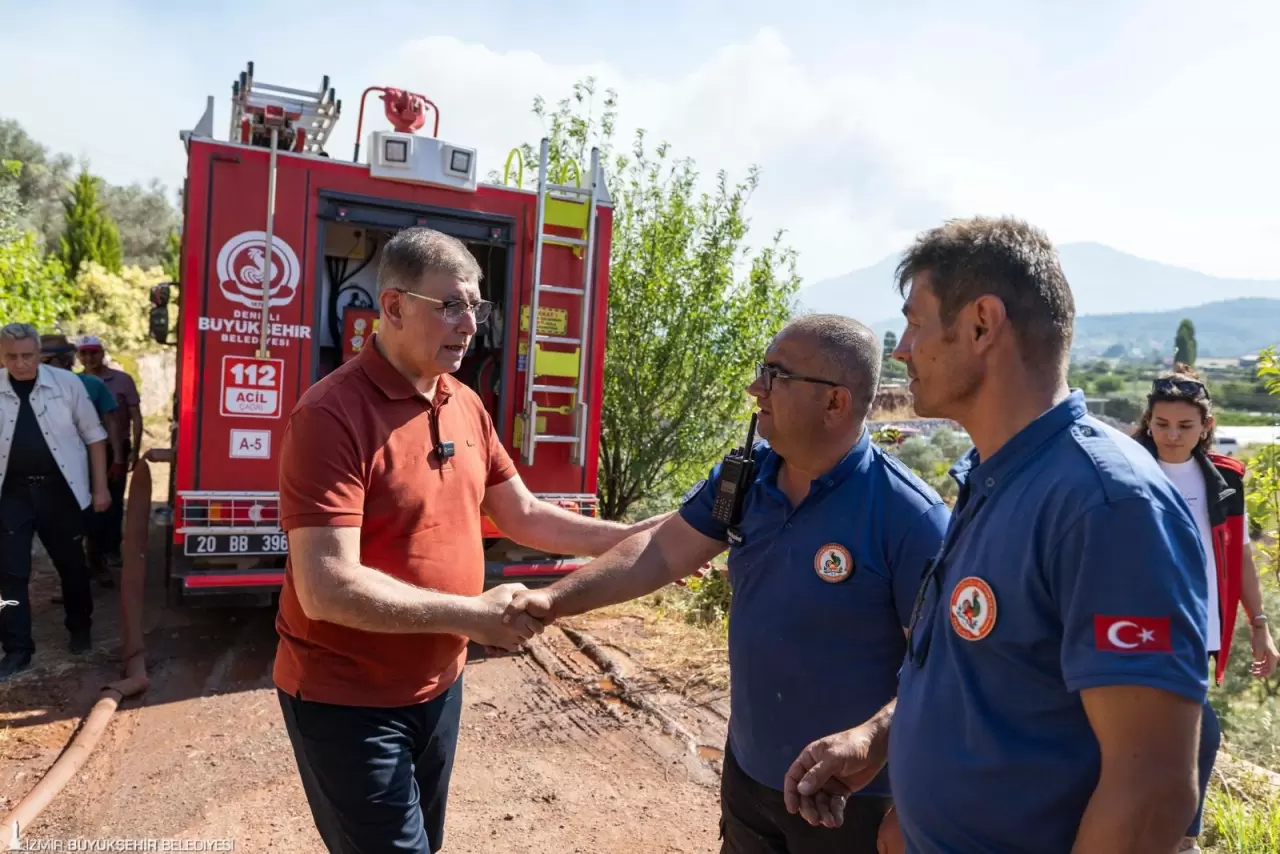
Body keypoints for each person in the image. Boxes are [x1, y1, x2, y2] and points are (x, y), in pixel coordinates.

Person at [785, 217, 1210, 854]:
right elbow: (996, 677)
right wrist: (883, 740)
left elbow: (1151, 790)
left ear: (982, 324)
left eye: (916, 323)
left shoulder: (1106, 504)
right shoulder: (1001, 475)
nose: (902, 349)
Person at [275, 227, 670, 854]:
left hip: (439, 688)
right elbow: (326, 587)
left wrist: (629, 538)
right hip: (347, 700)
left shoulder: (463, 403)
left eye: (476, 307)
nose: (470, 326)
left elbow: (523, 514)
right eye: (451, 306)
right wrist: (472, 616)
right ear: (394, 306)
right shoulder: (330, 416)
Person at [504, 314, 952, 854]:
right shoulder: (746, 478)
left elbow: (946, 672)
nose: (755, 388)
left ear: (835, 402)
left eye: (775, 375)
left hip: (849, 798)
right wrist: (554, 599)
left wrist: (898, 792)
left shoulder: (910, 518)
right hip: (748, 777)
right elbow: (658, 551)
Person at [1132, 364, 1280, 854]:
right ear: (1148, 421)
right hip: (1137, 624)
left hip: (1199, 627)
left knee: (1187, 734)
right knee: (1196, 731)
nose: (1172, 436)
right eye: (1161, 424)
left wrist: (1260, 625)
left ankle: (1172, 837)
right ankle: (1178, 839)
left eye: (1185, 425)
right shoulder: (1125, 470)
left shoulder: (1225, 480)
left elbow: (1239, 554)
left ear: (1206, 426)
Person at [0, 323, 111, 681]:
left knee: (72, 565)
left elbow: (94, 437)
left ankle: (80, 628)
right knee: (10, 573)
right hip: (11, 493)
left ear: (40, 354)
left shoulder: (67, 385)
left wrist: (100, 488)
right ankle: (17, 650)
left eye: (28, 356)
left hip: (60, 490)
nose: (21, 364)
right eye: (12, 357)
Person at [43, 332, 123, 589]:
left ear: (66, 360)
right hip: (51, 465)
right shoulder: (31, 388)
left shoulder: (91, 385)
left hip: (89, 461)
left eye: (49, 359)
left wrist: (117, 458)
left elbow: (110, 423)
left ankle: (96, 563)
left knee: (95, 516)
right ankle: (71, 577)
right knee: (61, 521)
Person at [76, 335, 141, 574]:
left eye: (93, 352)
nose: (89, 358)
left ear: (102, 353)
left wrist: (134, 449)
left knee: (113, 499)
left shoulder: (122, 380)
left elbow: (134, 416)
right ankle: (93, 552)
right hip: (83, 450)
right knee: (88, 500)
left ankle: (111, 549)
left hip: (115, 448)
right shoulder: (74, 382)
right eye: (83, 353)